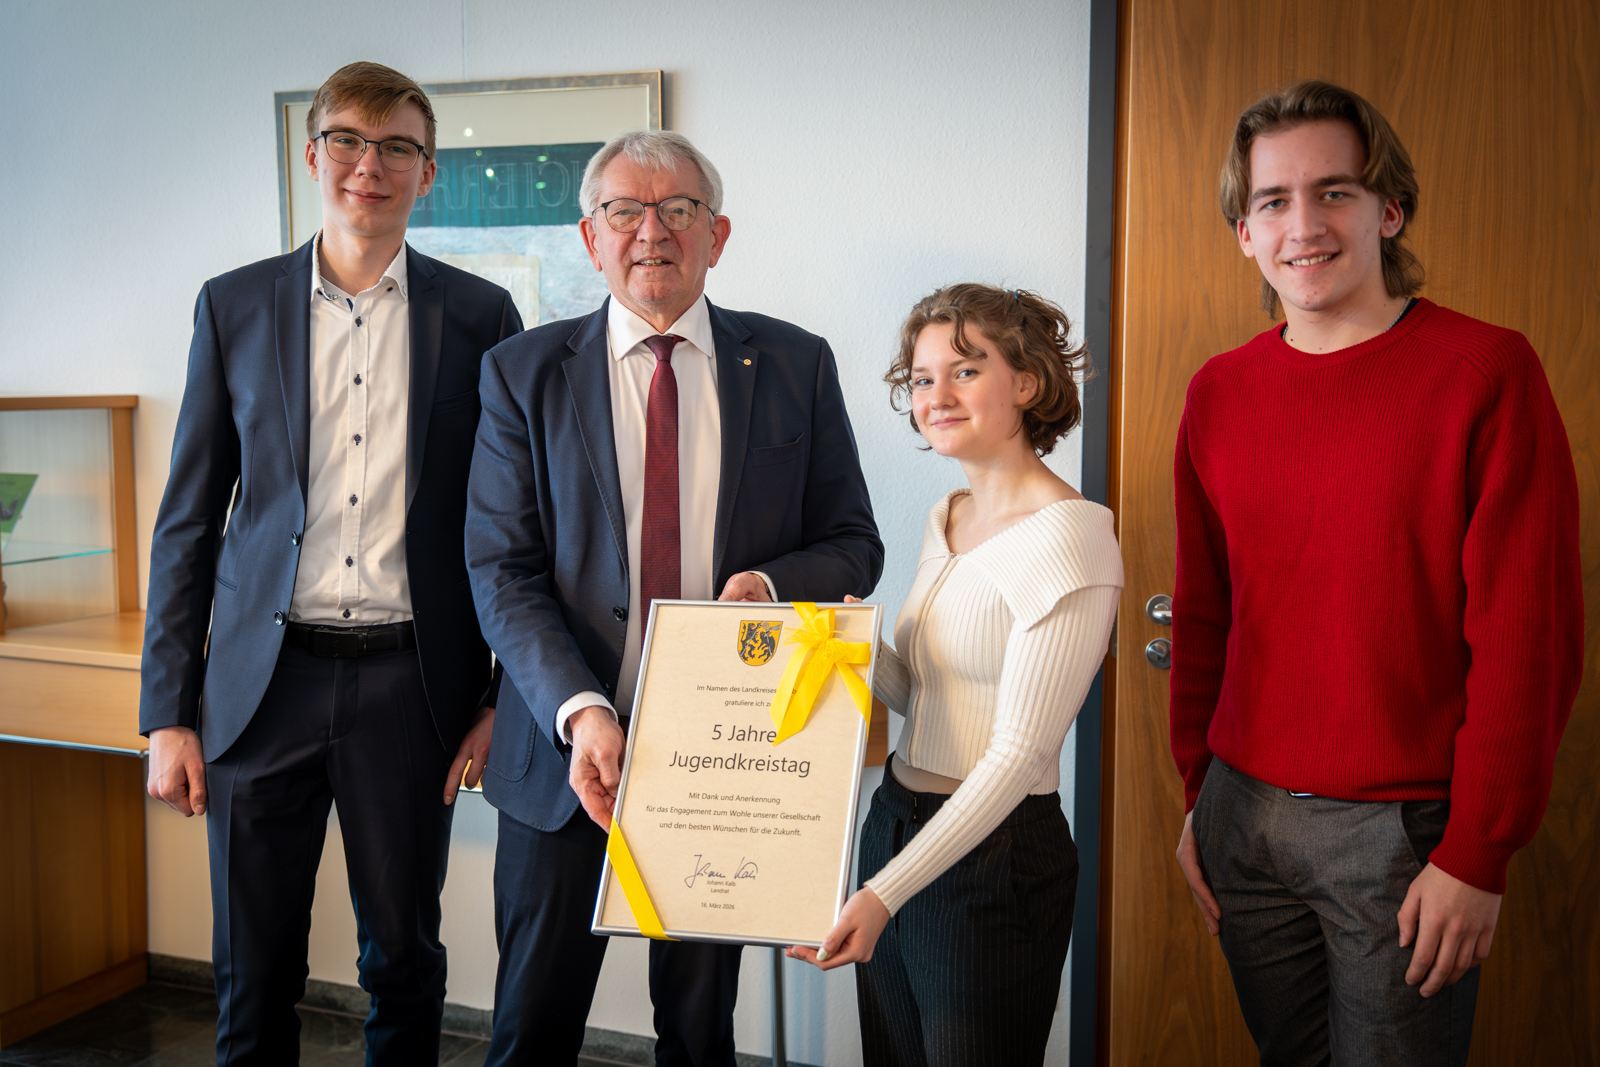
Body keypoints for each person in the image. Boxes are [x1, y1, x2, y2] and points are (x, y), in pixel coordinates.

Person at [1170, 80, 1582, 1065]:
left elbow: (1527, 639)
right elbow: (1204, 610)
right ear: (1244, 232)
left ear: (1388, 209)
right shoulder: (1219, 392)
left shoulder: (1485, 373)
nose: (1303, 225)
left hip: (1401, 835)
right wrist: (1197, 795)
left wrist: (1477, 851)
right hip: (1240, 816)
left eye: (1334, 192)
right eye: (1273, 201)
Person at [465, 129, 883, 1067]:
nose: (651, 231)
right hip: (566, 754)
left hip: (720, 761)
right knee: (530, 1029)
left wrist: (770, 585)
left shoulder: (795, 364)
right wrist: (581, 710)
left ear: (717, 234)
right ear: (591, 237)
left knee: (698, 1034)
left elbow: (856, 541)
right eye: (625, 210)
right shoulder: (522, 374)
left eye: (678, 210)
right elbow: (501, 570)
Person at [140, 62, 522, 1065]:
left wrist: (499, 696)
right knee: (252, 967)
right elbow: (188, 520)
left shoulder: (481, 316)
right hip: (257, 690)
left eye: (397, 146)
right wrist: (167, 712)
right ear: (313, 156)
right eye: (348, 140)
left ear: (428, 171)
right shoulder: (234, 306)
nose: (369, 165)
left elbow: (510, 528)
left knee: (403, 957)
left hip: (412, 686)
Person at [787, 284, 1123, 1067]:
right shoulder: (949, 516)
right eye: (922, 377)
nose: (936, 395)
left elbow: (1017, 755)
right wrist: (852, 647)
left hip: (994, 858)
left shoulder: (1073, 538)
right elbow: (926, 693)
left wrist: (883, 893)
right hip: (894, 820)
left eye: (965, 370)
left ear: (1028, 381)